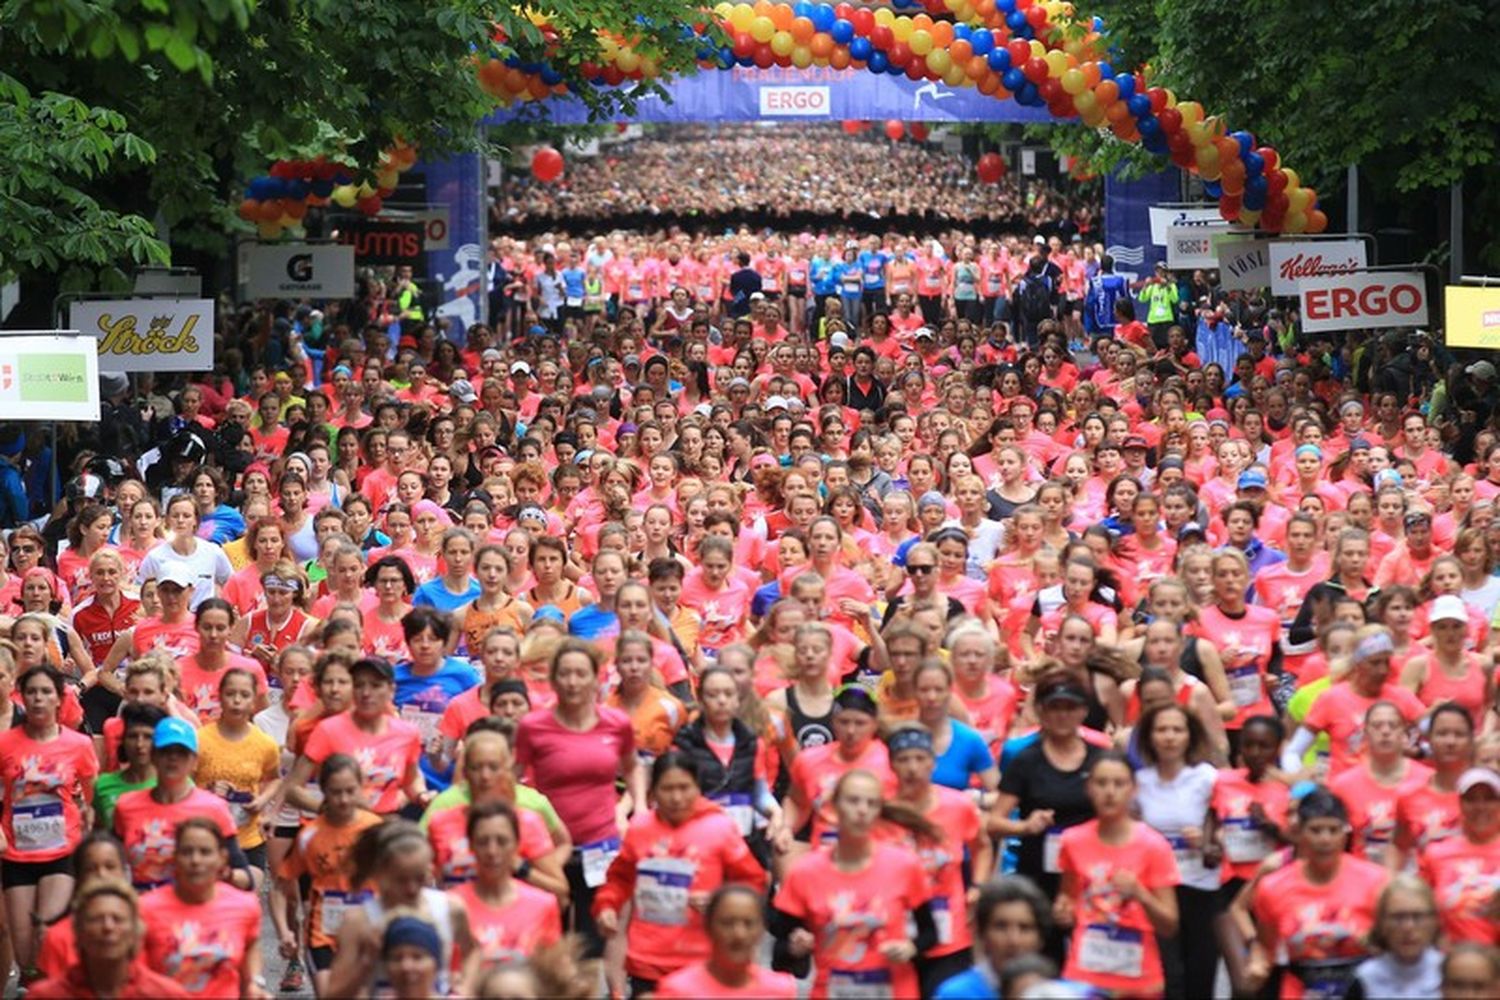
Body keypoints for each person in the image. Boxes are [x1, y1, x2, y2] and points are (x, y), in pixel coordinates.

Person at [514, 638, 645, 959]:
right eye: (565, 674)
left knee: (592, 944)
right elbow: (511, 778)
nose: (572, 682)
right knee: (548, 944)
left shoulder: (616, 724)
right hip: (548, 849)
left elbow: (633, 768)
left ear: (596, 678)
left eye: (580, 674)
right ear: (554, 679)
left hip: (600, 845)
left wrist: (638, 806)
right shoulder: (533, 726)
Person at [593, 752, 767, 994]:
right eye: (667, 789)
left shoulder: (720, 827)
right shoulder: (640, 828)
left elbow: (753, 881)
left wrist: (718, 902)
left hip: (703, 959)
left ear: (698, 787)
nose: (676, 797)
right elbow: (620, 878)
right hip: (647, 959)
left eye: (685, 788)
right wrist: (607, 906)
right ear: (653, 792)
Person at [771, 769, 937, 998]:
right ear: (833, 808)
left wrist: (911, 948)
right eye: (853, 801)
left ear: (879, 812)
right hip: (832, 991)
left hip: (894, 990)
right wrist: (794, 948)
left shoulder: (904, 864)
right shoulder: (804, 873)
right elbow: (779, 954)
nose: (862, 810)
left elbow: (931, 933)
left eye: (871, 804)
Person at [0, 664, 100, 983]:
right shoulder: (5, 744)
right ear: (23, 697)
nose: (38, 699)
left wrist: (87, 822)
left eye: (46, 692)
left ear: (59, 699)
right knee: (25, 954)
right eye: (32, 692)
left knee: (47, 933)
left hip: (62, 851)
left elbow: (91, 787)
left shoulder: (78, 745)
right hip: (17, 855)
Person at [1053, 751, 1181, 995]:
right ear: (1089, 788)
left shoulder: (1154, 846)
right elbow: (1068, 899)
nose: (1110, 792)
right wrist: (1063, 910)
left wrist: (1140, 894)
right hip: (1085, 972)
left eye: (1119, 784)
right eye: (1101, 783)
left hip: (1138, 978)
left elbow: (1169, 926)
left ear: (1133, 790)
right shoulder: (1072, 840)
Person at [1246, 787, 1390, 998]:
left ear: (1345, 833)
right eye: (1316, 830)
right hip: (1301, 987)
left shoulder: (1377, 880)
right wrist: (1256, 964)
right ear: (1299, 832)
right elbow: (1265, 945)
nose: (1325, 839)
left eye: (1334, 830)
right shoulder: (1273, 887)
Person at [885, 724, 992, 994]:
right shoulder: (881, 811)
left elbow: (983, 846)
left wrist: (978, 887)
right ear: (892, 765)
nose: (912, 767)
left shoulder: (958, 805)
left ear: (933, 763)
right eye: (903, 759)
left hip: (950, 931)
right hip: (894, 931)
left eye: (920, 759)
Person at [323, 821, 475, 997]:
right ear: (380, 874)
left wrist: (465, 988)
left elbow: (472, 951)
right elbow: (332, 994)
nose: (411, 888)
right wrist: (366, 963)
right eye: (401, 880)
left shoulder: (449, 908)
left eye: (419, 878)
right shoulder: (359, 921)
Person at [274, 753, 382, 997]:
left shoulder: (376, 831)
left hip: (368, 932)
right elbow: (281, 886)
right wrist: (284, 931)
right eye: (335, 792)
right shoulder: (309, 835)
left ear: (360, 788)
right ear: (322, 791)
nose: (343, 800)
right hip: (324, 934)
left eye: (350, 791)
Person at [112, 717, 245, 891]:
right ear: (153, 755)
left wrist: (223, 874)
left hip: (195, 909)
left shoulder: (214, 808)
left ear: (195, 760)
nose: (173, 758)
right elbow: (112, 863)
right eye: (166, 751)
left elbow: (244, 876)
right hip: (143, 910)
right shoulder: (126, 806)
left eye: (181, 752)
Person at [138, 818, 264, 998]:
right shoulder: (145, 909)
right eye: (187, 852)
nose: (195, 860)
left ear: (222, 858)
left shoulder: (244, 905)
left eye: (205, 852)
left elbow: (250, 946)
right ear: (174, 857)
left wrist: (254, 984)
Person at [448, 799, 564, 975]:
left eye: (502, 841)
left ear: (517, 845)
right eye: (482, 842)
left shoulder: (543, 905)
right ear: (471, 846)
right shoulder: (451, 905)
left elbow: (554, 975)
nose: (492, 851)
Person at [26, 879, 190, 999]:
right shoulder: (45, 996)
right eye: (96, 919)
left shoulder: (166, 995)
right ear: (78, 931)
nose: (108, 927)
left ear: (136, 931)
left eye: (118, 919)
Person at [653, 885, 797, 998]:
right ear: (709, 926)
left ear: (761, 929)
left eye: (749, 924)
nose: (739, 934)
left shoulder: (781, 989)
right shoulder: (677, 990)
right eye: (727, 923)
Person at [1418, 766, 1500, 946]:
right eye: (1471, 799)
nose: (1480, 807)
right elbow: (1422, 912)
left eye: (1489, 799)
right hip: (1452, 962)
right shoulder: (1436, 853)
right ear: (1459, 804)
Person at [932, 876, 1051, 1000]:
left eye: (1025, 928)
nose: (1013, 940)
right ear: (982, 933)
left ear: (1040, 937)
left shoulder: (1064, 993)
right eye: (1001, 927)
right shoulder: (954, 995)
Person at [1347, 875, 1445, 999]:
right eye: (1398, 917)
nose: (1408, 927)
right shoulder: (1365, 979)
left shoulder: (1450, 974)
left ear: (1434, 921)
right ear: (1382, 923)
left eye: (1418, 916)